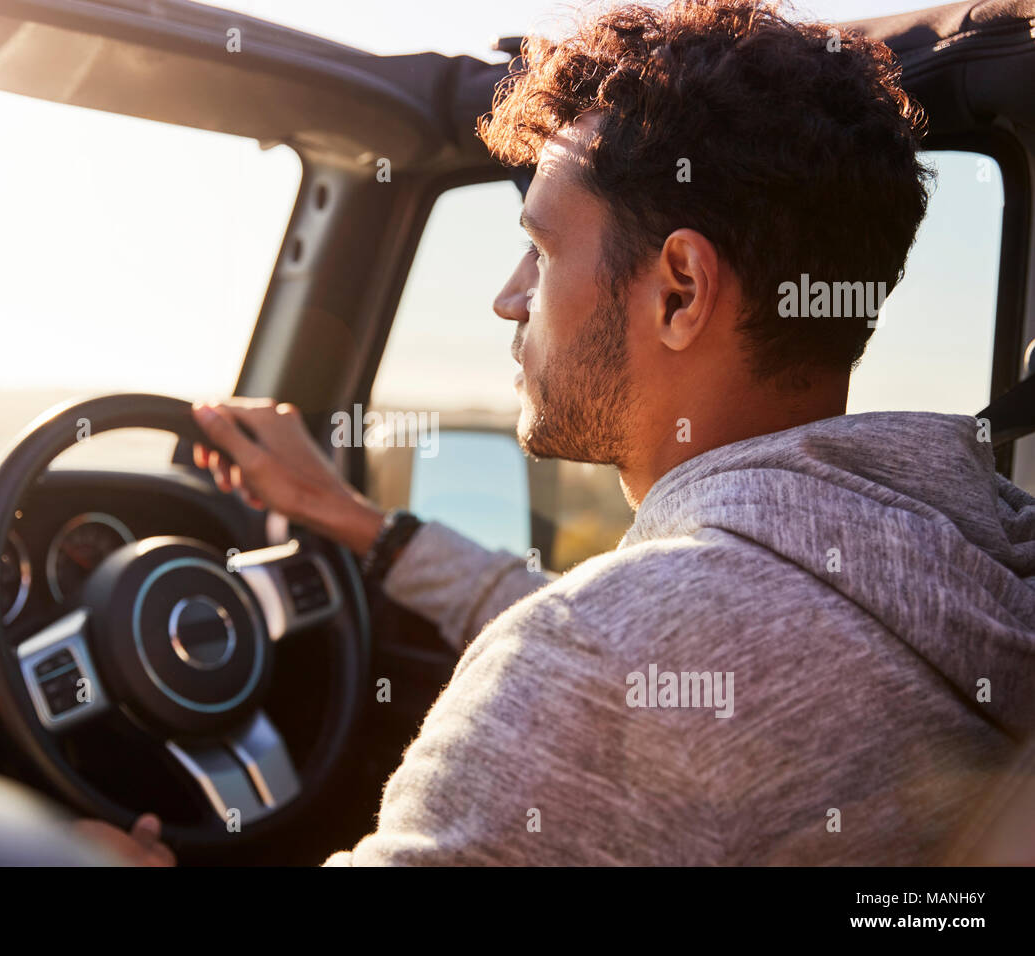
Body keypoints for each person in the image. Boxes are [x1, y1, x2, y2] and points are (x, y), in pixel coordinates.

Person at [108, 0, 1035, 865]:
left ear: (680, 290)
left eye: (541, 250)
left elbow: (620, 644)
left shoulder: (583, 668)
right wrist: (358, 523)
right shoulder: (978, 555)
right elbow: (659, 625)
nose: (509, 297)